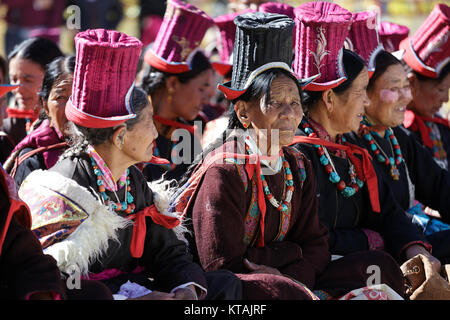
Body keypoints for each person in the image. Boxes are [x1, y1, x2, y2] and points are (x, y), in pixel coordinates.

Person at [169, 11, 405, 300]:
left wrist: (291, 274)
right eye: (276, 103)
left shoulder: (298, 164)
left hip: (288, 279)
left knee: (379, 266)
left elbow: (317, 246)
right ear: (243, 112)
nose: (289, 114)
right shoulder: (225, 171)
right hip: (234, 288)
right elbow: (221, 264)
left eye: (295, 102)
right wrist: (290, 256)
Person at [18, 29, 242, 300]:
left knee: (224, 284)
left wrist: (185, 287)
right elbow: (64, 283)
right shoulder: (63, 189)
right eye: (148, 123)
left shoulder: (131, 181)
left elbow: (168, 251)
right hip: (103, 295)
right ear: (121, 135)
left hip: (136, 285)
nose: (155, 134)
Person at [291, 1, 440, 287]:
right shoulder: (297, 155)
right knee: (380, 266)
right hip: (314, 275)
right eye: (360, 92)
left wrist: (415, 248)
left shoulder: (351, 151)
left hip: (359, 264)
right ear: (330, 98)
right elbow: (311, 237)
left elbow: (388, 212)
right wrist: (370, 240)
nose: (367, 101)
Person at [345, 49, 450, 263]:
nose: (407, 96)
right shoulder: (350, 143)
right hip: (376, 253)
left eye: (406, 87)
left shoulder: (396, 135)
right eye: (394, 88)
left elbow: (439, 185)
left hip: (404, 239)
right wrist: (414, 247)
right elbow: (386, 215)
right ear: (365, 94)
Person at [0, 160, 113, 300]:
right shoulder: (72, 174)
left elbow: (21, 251)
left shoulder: (135, 179)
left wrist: (42, 293)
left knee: (95, 294)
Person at [140, 0, 216, 182]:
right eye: (202, 88)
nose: (208, 98)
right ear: (173, 83)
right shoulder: (129, 126)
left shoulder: (199, 129)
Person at [4, 56, 74, 187]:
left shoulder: (107, 149)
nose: (71, 106)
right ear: (46, 106)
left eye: (78, 96)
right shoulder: (32, 161)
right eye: (61, 97)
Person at [400, 3, 450, 170]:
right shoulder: (399, 131)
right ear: (413, 82)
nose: (446, 98)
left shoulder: (439, 127)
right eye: (441, 89)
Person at [3, 37, 63, 146]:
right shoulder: (7, 127)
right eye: (14, 79)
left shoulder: (68, 126)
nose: (18, 88)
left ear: (52, 78)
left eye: (28, 80)